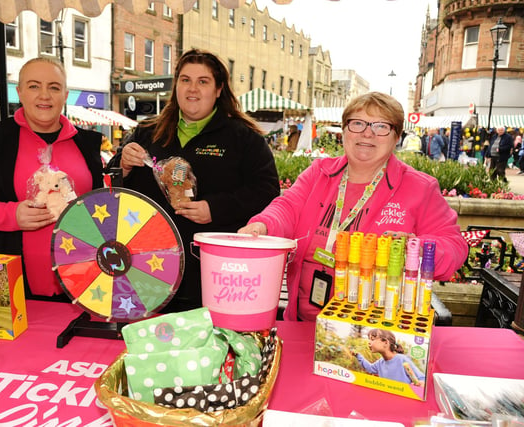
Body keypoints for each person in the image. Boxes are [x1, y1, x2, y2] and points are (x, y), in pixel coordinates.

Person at [238, 92, 468, 321]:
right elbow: (287, 207)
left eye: (381, 126)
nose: (367, 133)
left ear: (396, 136)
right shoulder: (319, 173)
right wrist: (262, 226)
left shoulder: (420, 188)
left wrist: (415, 250)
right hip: (304, 322)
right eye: (357, 123)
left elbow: (454, 247)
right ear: (345, 130)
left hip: (377, 331)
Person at [107, 49, 280, 313]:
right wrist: (122, 166)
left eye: (203, 81)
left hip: (212, 274)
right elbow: (108, 190)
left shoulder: (244, 139)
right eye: (185, 80)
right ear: (176, 85)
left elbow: (267, 193)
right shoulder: (145, 133)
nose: (192, 89)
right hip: (145, 269)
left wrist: (216, 208)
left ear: (219, 89)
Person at [0, 57, 104, 300]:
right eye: (34, 86)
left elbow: (101, 208)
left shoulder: (88, 143)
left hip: (84, 283)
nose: (44, 95)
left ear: (65, 95)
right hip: (13, 290)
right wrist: (11, 215)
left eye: (54, 87)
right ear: (20, 92)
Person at [353, 329, 425, 386]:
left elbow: (421, 377)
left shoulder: (402, 359)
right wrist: (358, 356)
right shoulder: (380, 362)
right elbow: (370, 368)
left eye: (372, 339)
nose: (369, 342)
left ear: (385, 342)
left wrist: (421, 383)